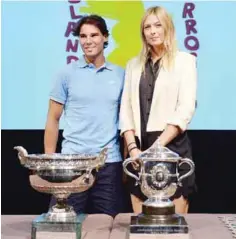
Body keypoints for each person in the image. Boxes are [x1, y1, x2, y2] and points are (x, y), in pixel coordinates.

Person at [44, 15, 124, 217]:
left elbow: (127, 123)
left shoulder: (121, 74)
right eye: (83, 36)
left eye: (94, 35)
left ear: (105, 37)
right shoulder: (66, 74)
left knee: (109, 227)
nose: (88, 41)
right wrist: (50, 162)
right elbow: (53, 118)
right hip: (72, 162)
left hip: (108, 164)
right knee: (62, 225)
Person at [119, 6, 197, 214]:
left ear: (167, 28)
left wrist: (156, 148)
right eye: (147, 27)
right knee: (140, 227)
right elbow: (125, 109)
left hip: (172, 147)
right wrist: (133, 148)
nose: (152, 31)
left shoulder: (185, 61)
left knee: (175, 229)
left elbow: (185, 108)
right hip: (138, 149)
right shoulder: (133, 65)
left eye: (157, 25)